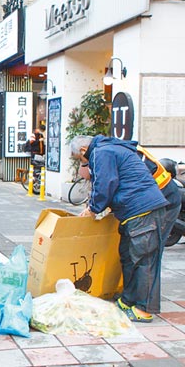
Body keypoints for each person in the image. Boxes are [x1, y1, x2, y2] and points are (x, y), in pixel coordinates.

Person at [71, 135, 168, 323]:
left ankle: (143, 309)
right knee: (128, 256)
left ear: (83, 151)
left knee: (143, 260)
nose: (83, 164)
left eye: (80, 160)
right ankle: (128, 300)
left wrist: (92, 209)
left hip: (142, 210)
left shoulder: (102, 152)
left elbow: (105, 183)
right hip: (133, 212)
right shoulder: (109, 149)